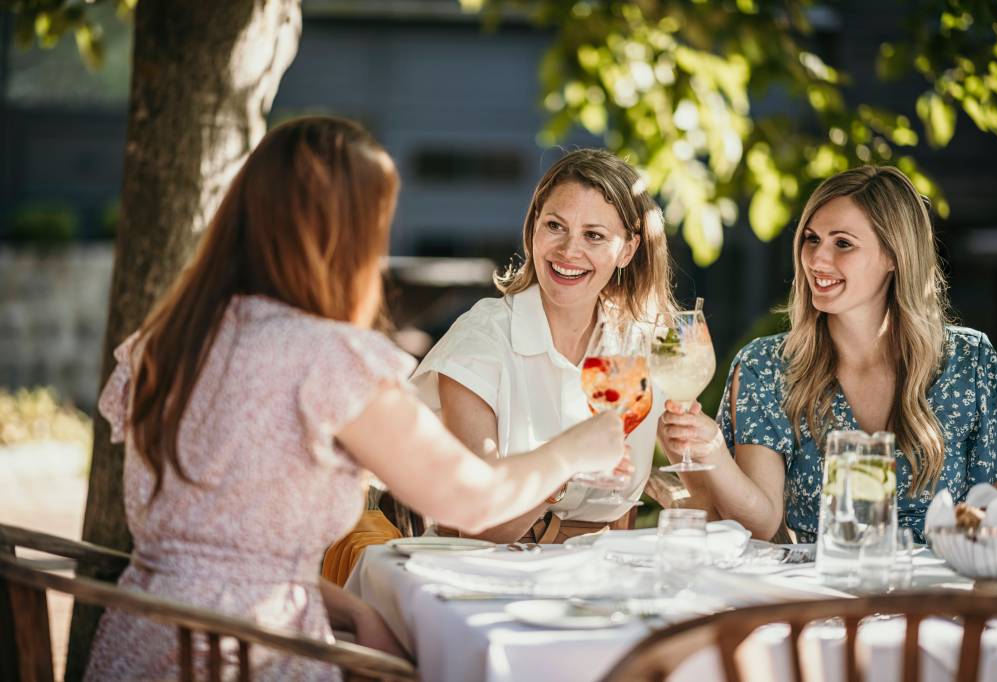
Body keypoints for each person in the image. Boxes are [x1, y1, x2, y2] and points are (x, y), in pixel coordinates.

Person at [84, 117, 624, 681]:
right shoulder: (328, 359)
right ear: (344, 234)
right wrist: (573, 450)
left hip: (138, 644)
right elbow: (474, 502)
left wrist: (354, 610)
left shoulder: (168, 339)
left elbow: (223, 552)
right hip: (247, 657)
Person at [657, 165, 997, 543]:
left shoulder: (968, 360)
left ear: (894, 255)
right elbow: (762, 524)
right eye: (811, 239)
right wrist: (712, 452)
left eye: (842, 243)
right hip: (825, 591)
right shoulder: (765, 367)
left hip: (942, 593)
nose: (817, 259)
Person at [411, 148, 678, 544]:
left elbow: (690, 488)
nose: (569, 251)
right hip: (488, 571)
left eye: (594, 235)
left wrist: (703, 453)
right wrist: (566, 465)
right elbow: (477, 523)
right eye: (555, 226)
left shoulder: (639, 341)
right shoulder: (482, 340)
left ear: (627, 250)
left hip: (604, 573)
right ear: (534, 226)